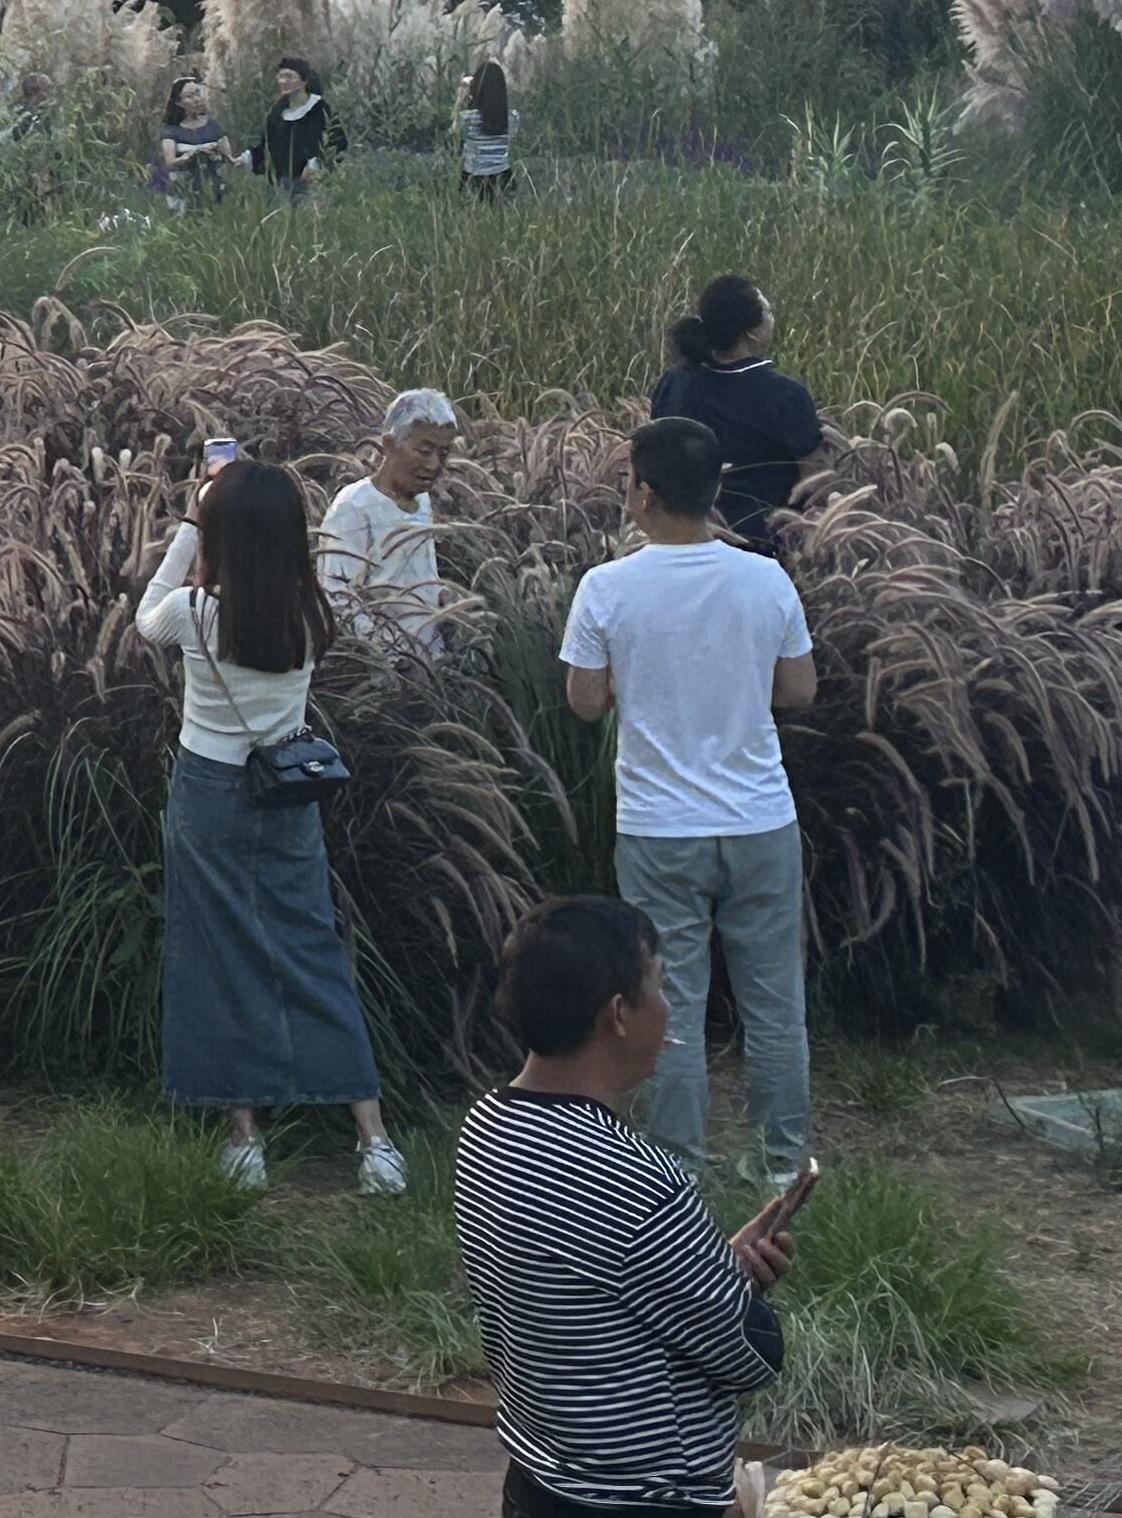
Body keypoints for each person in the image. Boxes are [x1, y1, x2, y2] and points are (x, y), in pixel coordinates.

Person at [456, 897, 798, 1518]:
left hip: (538, 1477)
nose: (669, 1011)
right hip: (643, 1496)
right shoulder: (634, 1177)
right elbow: (747, 1353)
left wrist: (709, 1266)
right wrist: (734, 1290)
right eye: (660, 987)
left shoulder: (486, 1129)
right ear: (617, 1014)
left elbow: (590, 1286)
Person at [137, 457, 406, 1194]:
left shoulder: (196, 612)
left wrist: (191, 523)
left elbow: (145, 617)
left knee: (219, 954)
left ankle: (246, 1144)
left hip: (210, 791)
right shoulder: (314, 615)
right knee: (311, 949)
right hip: (289, 790)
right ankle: (376, 1143)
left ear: (224, 534)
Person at [562, 417, 816, 1183]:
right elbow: (799, 689)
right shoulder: (765, 578)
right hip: (760, 819)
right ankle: (783, 1166)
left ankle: (678, 1172)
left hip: (659, 827)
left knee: (668, 1006)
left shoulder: (607, 588)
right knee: (775, 1002)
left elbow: (583, 701)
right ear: (716, 489)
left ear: (641, 492)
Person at [650, 276, 824, 553]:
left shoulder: (674, 383)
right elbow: (815, 482)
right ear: (751, 333)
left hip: (680, 540)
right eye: (768, 312)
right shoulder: (786, 395)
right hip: (765, 547)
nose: (772, 317)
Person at [321, 390, 458, 659]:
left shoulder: (422, 502)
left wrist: (442, 596)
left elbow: (419, 576)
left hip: (432, 662)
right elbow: (337, 597)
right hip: (385, 671)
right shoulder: (353, 506)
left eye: (443, 453)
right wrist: (390, 659)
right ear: (389, 444)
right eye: (424, 450)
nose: (434, 464)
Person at [251, 56, 345, 195]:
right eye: (281, 76)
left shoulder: (319, 109)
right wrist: (247, 157)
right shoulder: (277, 112)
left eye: (289, 77)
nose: (283, 81)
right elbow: (267, 146)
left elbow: (337, 142)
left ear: (304, 81)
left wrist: (316, 164)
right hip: (279, 185)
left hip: (313, 185)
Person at [154, 75, 233, 202]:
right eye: (189, 96)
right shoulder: (171, 130)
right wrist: (191, 156)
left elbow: (229, 159)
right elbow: (170, 164)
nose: (196, 99)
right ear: (178, 102)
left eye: (198, 93)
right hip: (183, 193)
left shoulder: (215, 126)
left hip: (214, 189)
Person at [458, 59, 518, 201]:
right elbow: (511, 142)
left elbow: (455, 136)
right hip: (503, 178)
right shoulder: (512, 118)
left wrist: (461, 101)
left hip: (473, 178)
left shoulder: (467, 118)